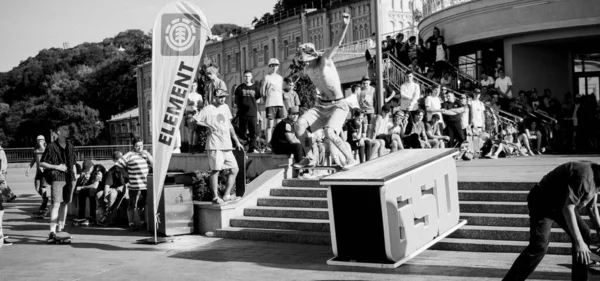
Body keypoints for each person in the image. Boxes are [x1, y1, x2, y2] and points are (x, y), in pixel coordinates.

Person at [504, 161, 600, 281]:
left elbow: (592, 207)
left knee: (584, 231)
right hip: (542, 201)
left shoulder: (596, 178)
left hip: (561, 202)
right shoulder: (585, 180)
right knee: (539, 246)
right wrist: (579, 243)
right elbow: (568, 208)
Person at [293, 10, 357, 169]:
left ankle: (349, 158)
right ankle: (310, 157)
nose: (307, 63)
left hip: (338, 105)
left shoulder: (325, 60)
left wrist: (344, 26)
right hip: (320, 106)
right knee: (299, 124)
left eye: (309, 60)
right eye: (305, 61)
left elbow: (336, 43)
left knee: (329, 132)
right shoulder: (307, 70)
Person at [194, 89, 243, 205]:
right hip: (215, 145)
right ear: (214, 97)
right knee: (215, 171)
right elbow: (194, 120)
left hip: (227, 145)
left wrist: (236, 141)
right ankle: (215, 197)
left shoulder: (225, 107)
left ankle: (226, 195)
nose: (223, 99)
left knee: (234, 169)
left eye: (224, 97)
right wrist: (208, 126)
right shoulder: (208, 109)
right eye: (220, 97)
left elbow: (229, 125)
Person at [39, 123, 77, 242]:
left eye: (68, 129)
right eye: (65, 129)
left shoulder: (71, 146)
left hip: (70, 177)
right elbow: (42, 162)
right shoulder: (51, 146)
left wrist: (75, 176)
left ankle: (61, 227)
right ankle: (52, 230)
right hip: (57, 177)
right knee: (56, 204)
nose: (68, 131)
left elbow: (74, 162)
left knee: (65, 203)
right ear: (58, 132)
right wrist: (57, 167)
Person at [115, 137, 153, 231]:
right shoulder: (130, 154)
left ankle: (143, 221)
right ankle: (131, 223)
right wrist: (126, 174)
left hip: (145, 184)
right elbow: (119, 165)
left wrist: (148, 154)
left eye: (141, 145)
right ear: (133, 146)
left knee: (143, 204)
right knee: (132, 204)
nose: (139, 148)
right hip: (134, 184)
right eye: (137, 146)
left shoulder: (145, 154)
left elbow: (154, 164)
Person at [234, 70, 262, 153]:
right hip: (242, 113)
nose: (247, 78)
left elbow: (258, 100)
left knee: (253, 132)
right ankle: (245, 145)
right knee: (242, 132)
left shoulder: (256, 87)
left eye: (249, 76)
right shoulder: (239, 88)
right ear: (243, 77)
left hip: (252, 113)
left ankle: (252, 148)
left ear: (251, 77)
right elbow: (236, 101)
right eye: (246, 76)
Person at [97, 151, 128, 226]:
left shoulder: (127, 168)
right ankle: (105, 215)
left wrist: (119, 188)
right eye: (117, 159)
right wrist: (105, 195)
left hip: (125, 188)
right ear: (114, 160)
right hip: (114, 189)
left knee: (112, 195)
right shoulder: (112, 170)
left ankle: (111, 218)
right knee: (99, 194)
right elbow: (107, 184)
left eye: (121, 158)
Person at [75, 159, 105, 225]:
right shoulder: (89, 172)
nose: (87, 172)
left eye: (88, 170)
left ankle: (92, 216)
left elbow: (95, 186)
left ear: (92, 167)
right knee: (82, 193)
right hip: (92, 188)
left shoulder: (98, 171)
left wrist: (82, 187)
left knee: (91, 192)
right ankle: (81, 216)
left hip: (101, 188)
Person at [262, 58, 285, 144]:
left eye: (276, 65)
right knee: (270, 125)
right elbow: (263, 92)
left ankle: (278, 143)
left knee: (279, 126)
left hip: (279, 103)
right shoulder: (267, 77)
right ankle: (268, 144)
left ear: (278, 66)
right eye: (272, 65)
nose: (274, 67)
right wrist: (266, 102)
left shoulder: (280, 78)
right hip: (270, 103)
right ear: (269, 66)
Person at [27, 135, 49, 216]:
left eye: (41, 140)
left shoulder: (47, 150)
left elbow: (50, 160)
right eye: (38, 140)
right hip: (38, 172)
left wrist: (46, 167)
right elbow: (33, 160)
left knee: (43, 188)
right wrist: (28, 169)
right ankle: (45, 199)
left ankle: (44, 204)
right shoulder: (35, 150)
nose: (39, 141)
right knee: (37, 188)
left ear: (44, 141)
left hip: (45, 173)